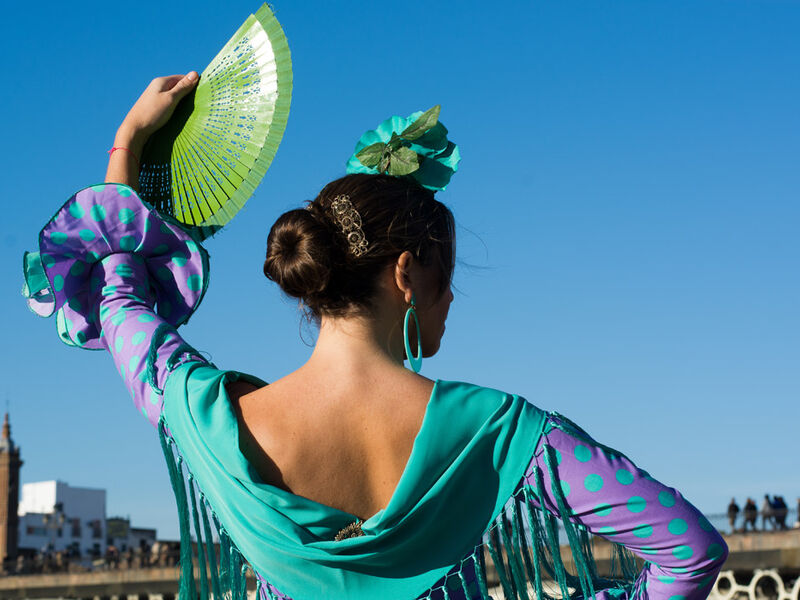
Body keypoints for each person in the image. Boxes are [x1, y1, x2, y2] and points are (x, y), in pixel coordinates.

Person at [22, 73, 728, 600]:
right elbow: (690, 552)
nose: (451, 297)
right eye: (444, 276)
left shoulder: (207, 419)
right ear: (405, 274)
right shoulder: (499, 433)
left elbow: (123, 307)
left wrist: (129, 146)